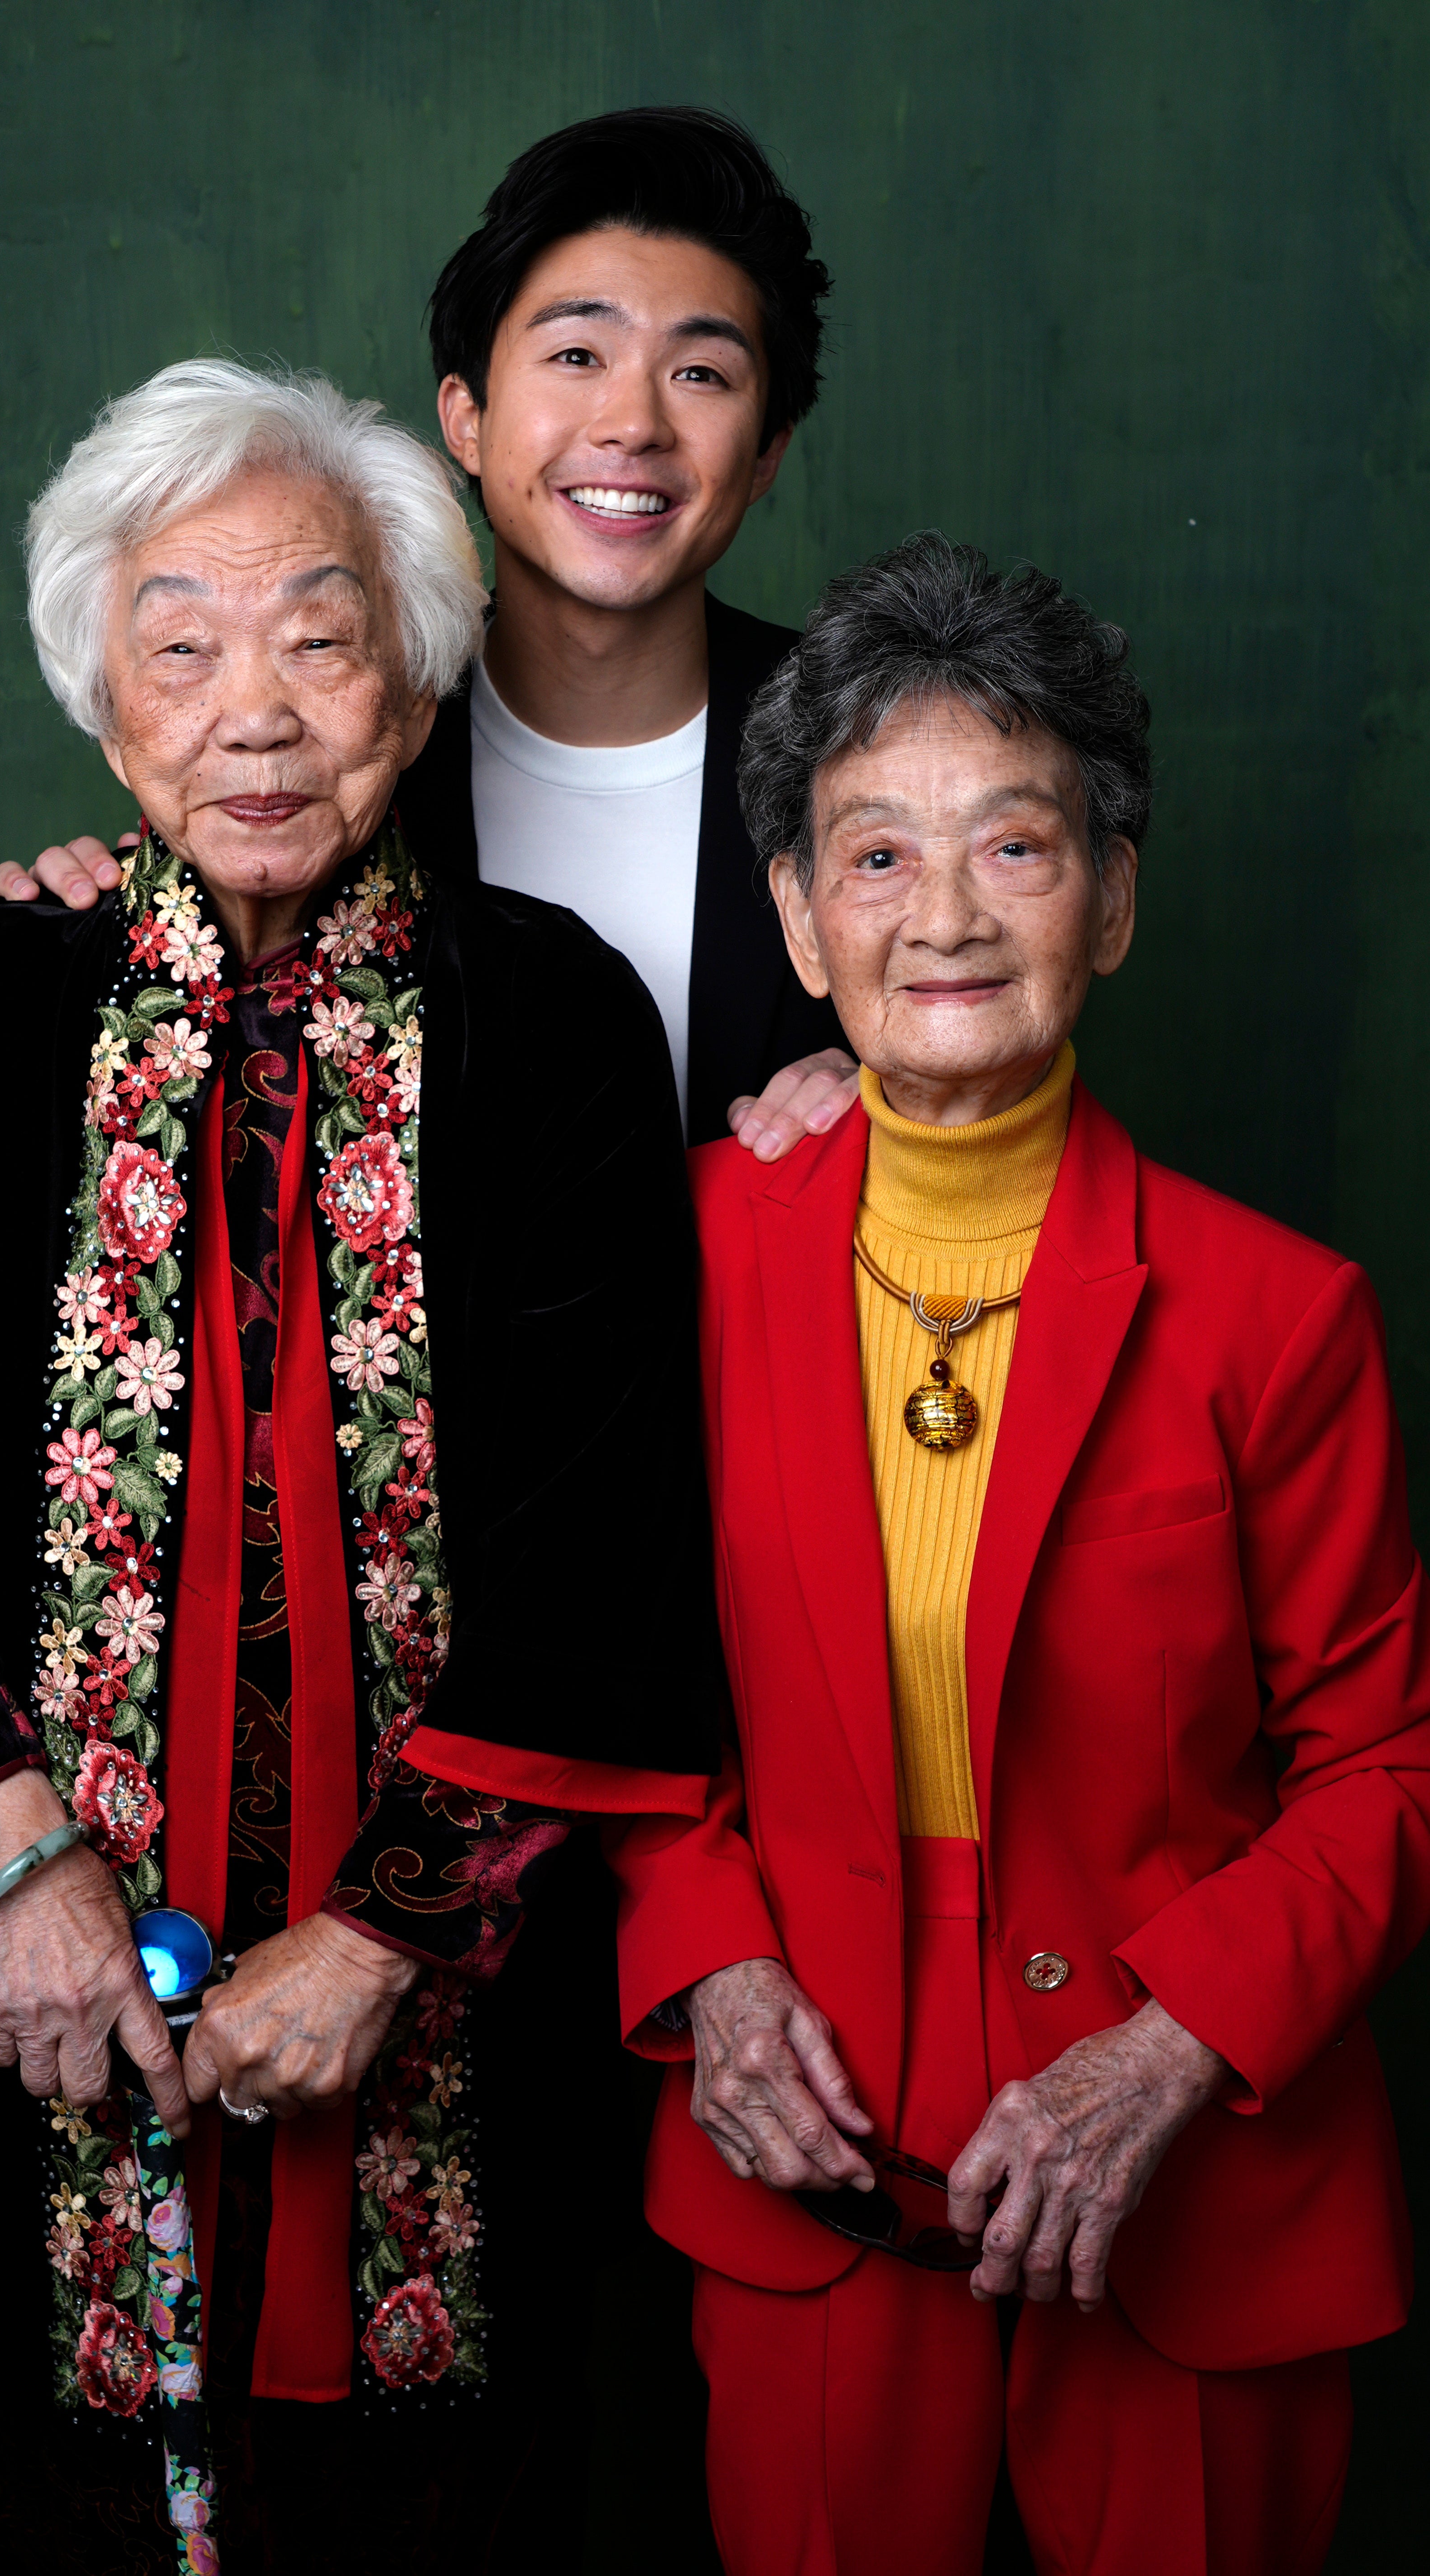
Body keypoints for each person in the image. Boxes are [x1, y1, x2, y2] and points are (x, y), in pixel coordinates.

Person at [0, 359, 724, 2576]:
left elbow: (603, 1532)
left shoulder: (549, 1021)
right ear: (106, 705)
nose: (253, 708)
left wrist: (381, 1940)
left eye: (317, 630)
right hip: (16, 2063)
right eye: (180, 643)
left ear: (414, 666)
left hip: (441, 2081)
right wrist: (11, 1865)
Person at [607, 532, 1430, 2576]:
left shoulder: (1279, 1311)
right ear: (798, 917)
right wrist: (707, 1959)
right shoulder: (676, 1261)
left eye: (1019, 844)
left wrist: (1168, 2049)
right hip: (805, 2153)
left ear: (1117, 896)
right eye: (875, 856)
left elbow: (1388, 1766)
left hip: (1194, 2183)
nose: (947, 914)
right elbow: (599, 1680)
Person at [0, 107, 863, 1161]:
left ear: (767, 454)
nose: (633, 424)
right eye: (576, 353)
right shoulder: (336, 736)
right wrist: (79, 918)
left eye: (700, 373)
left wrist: (916, 1085)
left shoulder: (874, 745)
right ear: (464, 416)